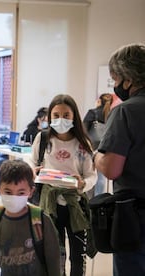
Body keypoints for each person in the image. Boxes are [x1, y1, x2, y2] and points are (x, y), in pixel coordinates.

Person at [30, 94, 97, 276]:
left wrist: (83, 183)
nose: (61, 119)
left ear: (74, 116)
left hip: (76, 206)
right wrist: (33, 171)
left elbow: (92, 175)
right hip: (49, 206)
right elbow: (31, 162)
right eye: (56, 115)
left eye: (66, 115)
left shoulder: (83, 143)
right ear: (50, 117)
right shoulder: (43, 139)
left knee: (77, 256)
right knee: (54, 255)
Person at [93, 43, 145, 276]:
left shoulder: (126, 111)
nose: (115, 86)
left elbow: (112, 168)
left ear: (128, 79)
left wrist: (96, 156)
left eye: (115, 79)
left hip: (136, 219)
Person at [0, 159, 61, 275]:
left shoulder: (40, 219)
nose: (14, 197)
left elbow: (53, 259)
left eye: (21, 193)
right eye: (8, 192)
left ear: (31, 192)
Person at [82, 93, 113, 196]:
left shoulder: (92, 112)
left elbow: (83, 131)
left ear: (99, 101)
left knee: (88, 176)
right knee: (100, 180)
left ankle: (88, 204)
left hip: (90, 149)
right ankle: (98, 205)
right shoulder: (112, 114)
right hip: (104, 151)